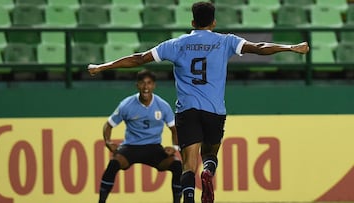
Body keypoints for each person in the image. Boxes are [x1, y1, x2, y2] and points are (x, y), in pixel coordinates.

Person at [88, 2, 309, 203]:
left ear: (192, 22)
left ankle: (190, 198)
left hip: (187, 111)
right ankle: (208, 173)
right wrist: (290, 48)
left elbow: (139, 58)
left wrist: (102, 67)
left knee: (187, 164)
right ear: (214, 22)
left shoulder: (175, 44)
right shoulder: (225, 41)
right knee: (210, 154)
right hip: (214, 111)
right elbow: (259, 47)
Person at [97, 69, 182, 203]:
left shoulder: (162, 105)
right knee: (113, 164)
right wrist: (108, 142)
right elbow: (108, 125)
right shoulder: (127, 104)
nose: (145, 87)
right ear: (137, 85)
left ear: (154, 86)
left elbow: (174, 129)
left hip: (154, 148)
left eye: (149, 83)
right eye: (142, 83)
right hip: (131, 147)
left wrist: (175, 147)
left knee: (177, 165)